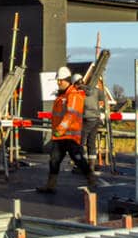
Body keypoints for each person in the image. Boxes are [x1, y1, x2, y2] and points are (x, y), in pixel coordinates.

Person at [40, 66, 96, 194]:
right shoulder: (62, 96)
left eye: (60, 80)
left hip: (69, 136)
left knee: (78, 159)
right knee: (54, 159)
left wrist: (60, 129)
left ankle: (91, 178)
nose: (58, 82)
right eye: (57, 80)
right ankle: (51, 185)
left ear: (66, 80)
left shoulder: (73, 95)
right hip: (60, 136)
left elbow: (70, 115)